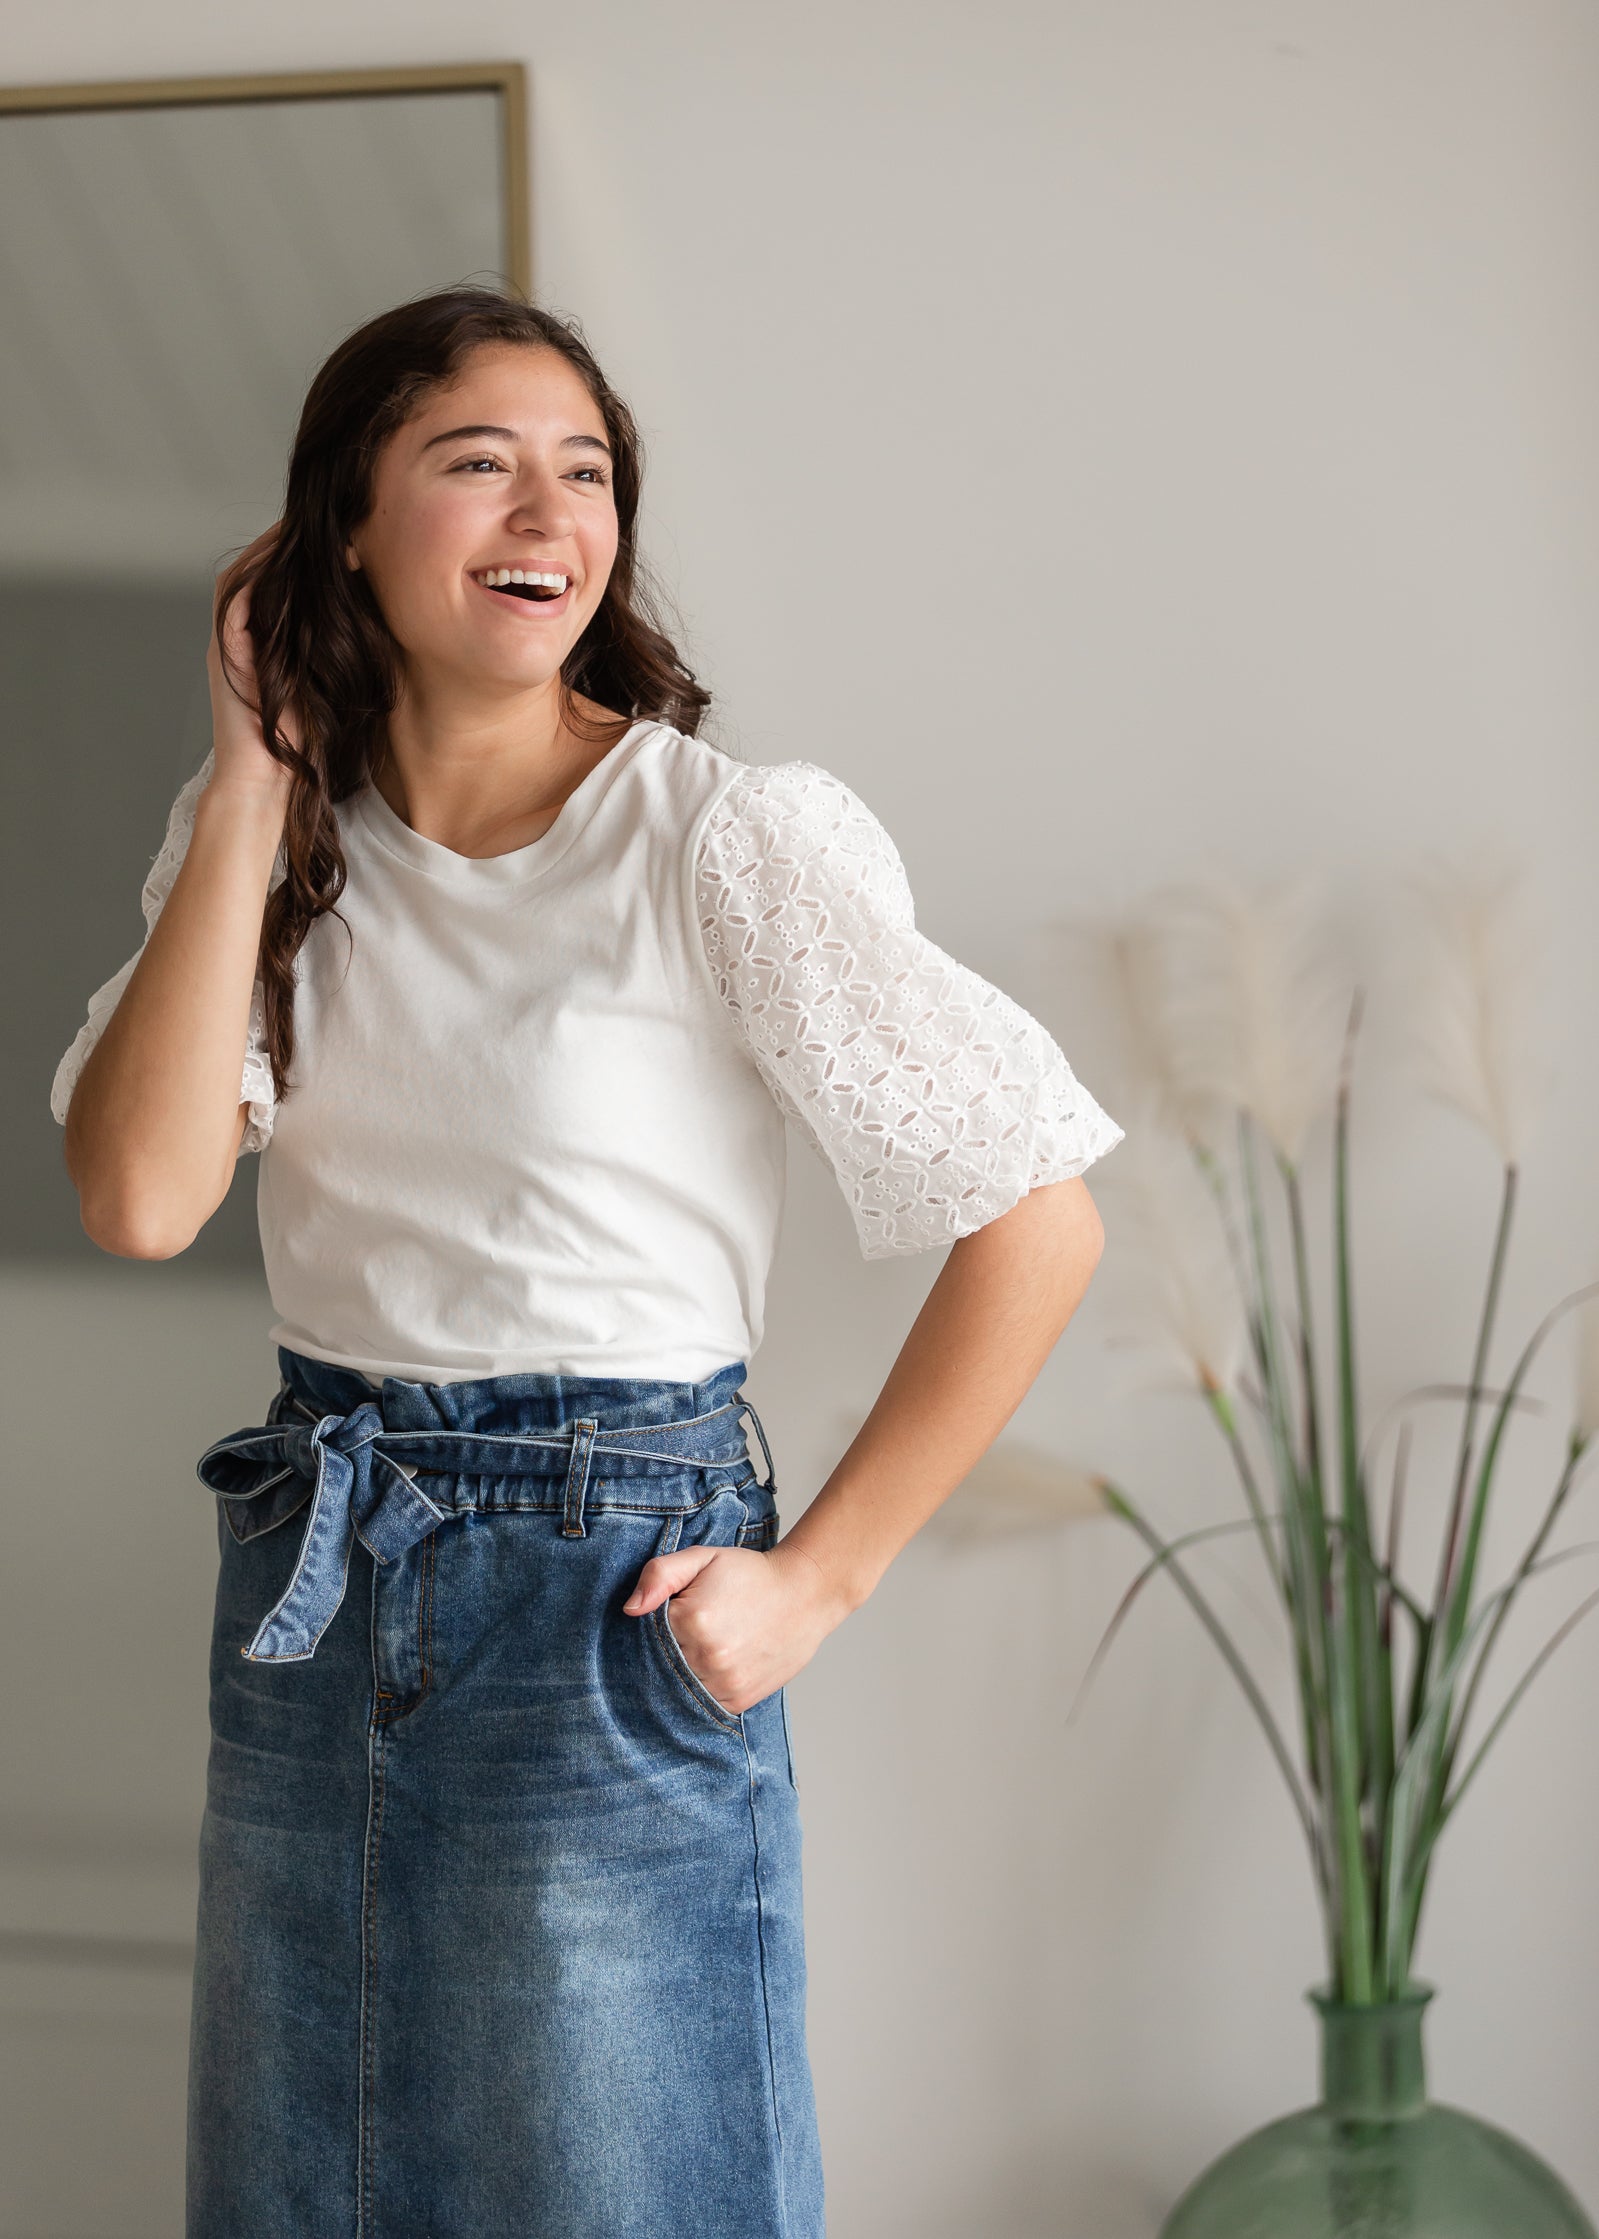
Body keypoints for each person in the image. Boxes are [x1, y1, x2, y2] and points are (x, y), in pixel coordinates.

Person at [50, 286, 1124, 2239]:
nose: (547, 507)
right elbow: (136, 1196)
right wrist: (245, 782)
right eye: (477, 461)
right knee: (308, 2189)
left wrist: (821, 1578)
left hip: (604, 1588)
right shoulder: (271, 855)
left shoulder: (718, 841)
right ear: (343, 529)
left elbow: (1035, 1211)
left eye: (587, 469)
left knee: (627, 2201)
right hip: (319, 1569)